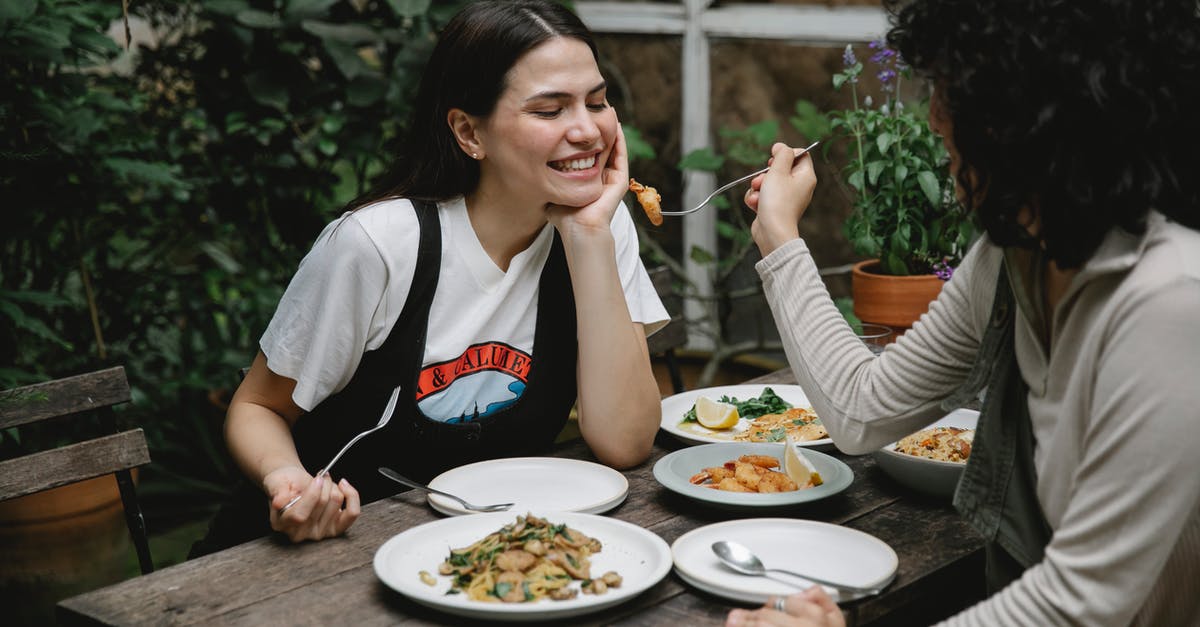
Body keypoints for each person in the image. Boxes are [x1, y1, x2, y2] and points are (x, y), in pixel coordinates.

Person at [727, 0, 1199, 625]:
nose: (932, 117)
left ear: (1022, 110)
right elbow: (862, 408)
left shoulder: (1170, 298)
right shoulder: (1015, 256)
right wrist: (780, 237)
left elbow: (1081, 606)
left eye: (950, 90)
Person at [191, 0, 667, 555]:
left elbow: (626, 442)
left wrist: (587, 240)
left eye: (598, 101)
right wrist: (288, 480)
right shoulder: (379, 244)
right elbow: (257, 407)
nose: (588, 130)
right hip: (318, 555)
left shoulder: (600, 226)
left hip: (479, 553)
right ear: (469, 132)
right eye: (550, 110)